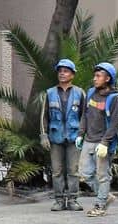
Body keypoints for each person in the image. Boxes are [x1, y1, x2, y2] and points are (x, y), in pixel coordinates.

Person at [76, 62, 118, 217]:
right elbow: (84, 115)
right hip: (89, 139)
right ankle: (105, 195)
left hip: (103, 142)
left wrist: (105, 143)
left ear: (107, 78)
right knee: (85, 173)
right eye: (95, 75)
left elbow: (115, 123)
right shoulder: (90, 93)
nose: (95, 78)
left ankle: (100, 205)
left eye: (98, 76)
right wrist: (80, 134)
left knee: (102, 176)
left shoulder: (114, 98)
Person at [40, 59, 85, 211]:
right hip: (55, 137)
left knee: (73, 170)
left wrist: (82, 134)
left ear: (72, 74)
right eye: (60, 71)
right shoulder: (50, 93)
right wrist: (43, 135)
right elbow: (44, 116)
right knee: (57, 170)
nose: (62, 73)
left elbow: (84, 116)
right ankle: (59, 200)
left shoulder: (80, 93)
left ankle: (73, 200)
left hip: (74, 137)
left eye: (65, 71)